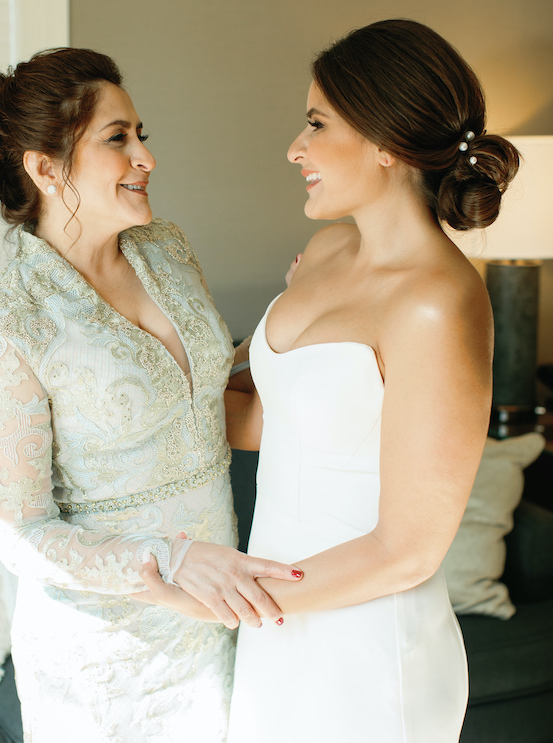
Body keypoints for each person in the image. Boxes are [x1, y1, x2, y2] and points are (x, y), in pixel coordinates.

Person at [0, 47, 301, 743]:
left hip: (219, 619)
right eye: (118, 139)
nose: (146, 157)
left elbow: (196, 391)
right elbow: (20, 534)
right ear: (45, 169)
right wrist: (167, 558)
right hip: (106, 660)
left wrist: (299, 319)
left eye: (142, 135)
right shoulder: (2, 327)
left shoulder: (165, 247)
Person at [221, 19, 519, 742]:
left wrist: (227, 600)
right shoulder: (325, 252)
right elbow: (260, 422)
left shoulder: (437, 301)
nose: (296, 148)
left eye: (317, 123)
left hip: (363, 645)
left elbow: (408, 548)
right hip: (279, 627)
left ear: (386, 142)